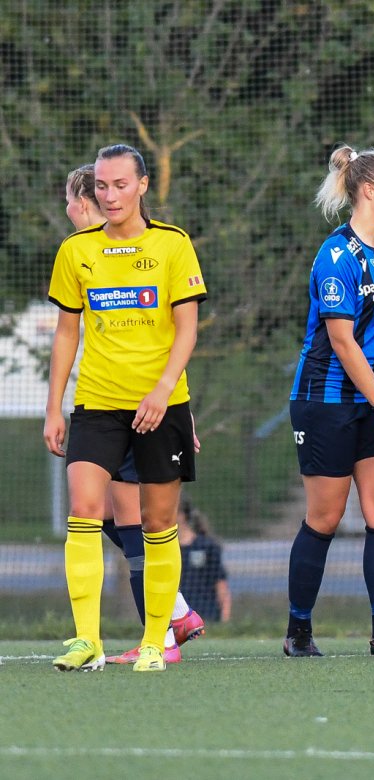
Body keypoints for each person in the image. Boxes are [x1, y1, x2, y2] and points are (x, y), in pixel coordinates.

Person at [44, 144, 207, 672]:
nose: (110, 195)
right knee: (84, 511)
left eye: (120, 185)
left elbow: (187, 329)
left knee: (158, 524)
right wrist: (54, 408)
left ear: (142, 185)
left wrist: (163, 390)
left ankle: (156, 642)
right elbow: (66, 334)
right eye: (101, 186)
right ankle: (86, 640)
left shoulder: (173, 244)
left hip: (161, 407)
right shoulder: (76, 250)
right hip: (97, 404)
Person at [283, 144, 374, 658]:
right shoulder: (335, 256)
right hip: (325, 401)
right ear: (368, 190)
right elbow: (342, 342)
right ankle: (299, 631)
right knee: (324, 517)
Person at [177, 499, 231, 623]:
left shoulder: (206, 546)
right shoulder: (164, 551)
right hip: (178, 620)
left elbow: (221, 584)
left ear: (182, 515)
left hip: (207, 615)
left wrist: (225, 617)